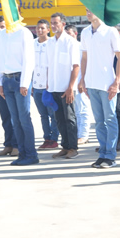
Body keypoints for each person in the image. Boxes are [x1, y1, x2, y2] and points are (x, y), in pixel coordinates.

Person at [80, 8, 120, 169]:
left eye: (91, 9)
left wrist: (117, 81)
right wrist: (83, 80)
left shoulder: (110, 31)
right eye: (86, 10)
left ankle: (111, 155)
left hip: (107, 84)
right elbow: (84, 57)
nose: (88, 13)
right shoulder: (85, 32)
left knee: (110, 119)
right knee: (99, 121)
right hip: (91, 83)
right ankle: (102, 153)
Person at [0, 18, 38, 166]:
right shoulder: (3, 34)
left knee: (24, 118)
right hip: (7, 79)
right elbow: (0, 59)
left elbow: (29, 59)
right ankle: (22, 154)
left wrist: (25, 83)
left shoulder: (24, 32)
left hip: (19, 78)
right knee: (15, 120)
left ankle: (31, 154)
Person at [47, 12, 81, 159]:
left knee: (70, 118)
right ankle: (65, 146)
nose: (53, 26)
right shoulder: (50, 42)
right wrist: (47, 83)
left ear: (63, 24)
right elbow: (49, 65)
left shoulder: (70, 42)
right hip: (54, 87)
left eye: (56, 23)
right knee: (59, 119)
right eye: (52, 23)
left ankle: (73, 148)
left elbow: (76, 66)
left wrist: (71, 87)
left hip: (67, 88)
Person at [0, 17, 18, 157]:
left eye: (2, 26)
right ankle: (8, 145)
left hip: (13, 80)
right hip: (1, 82)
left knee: (15, 116)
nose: (0, 29)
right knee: (5, 116)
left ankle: (17, 145)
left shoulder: (13, 40)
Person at [32, 19, 59, 150]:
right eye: (38, 28)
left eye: (43, 28)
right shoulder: (32, 44)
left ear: (48, 30)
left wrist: (50, 82)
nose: (40, 30)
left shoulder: (52, 43)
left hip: (49, 86)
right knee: (43, 115)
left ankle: (54, 138)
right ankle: (46, 138)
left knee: (53, 114)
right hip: (36, 85)